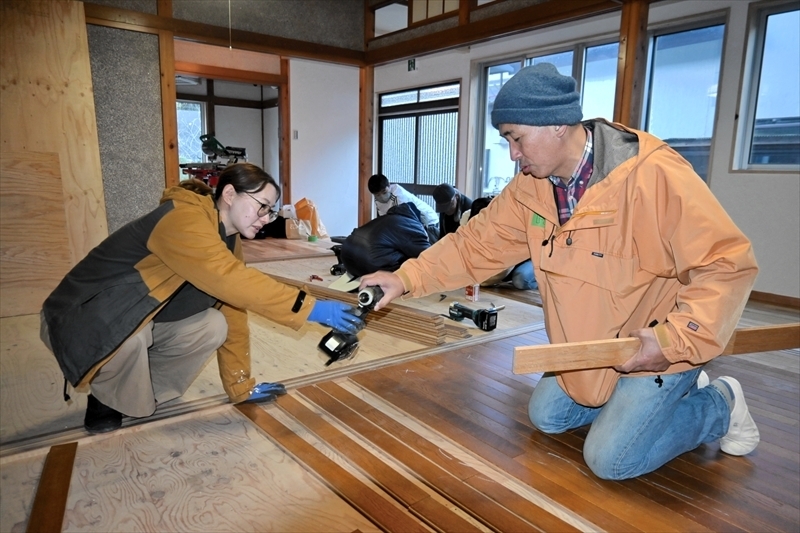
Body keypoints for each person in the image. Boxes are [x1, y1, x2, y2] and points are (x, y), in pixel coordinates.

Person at [361, 63, 759, 480]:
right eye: (506, 140)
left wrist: (675, 340)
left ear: (556, 125)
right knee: (547, 416)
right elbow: (474, 244)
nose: (512, 154)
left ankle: (719, 403)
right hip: (594, 345)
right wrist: (404, 278)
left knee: (611, 460)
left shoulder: (652, 177)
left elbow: (725, 262)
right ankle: (644, 404)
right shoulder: (531, 187)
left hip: (653, 347)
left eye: (516, 138)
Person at [40, 164, 364, 434]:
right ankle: (107, 398)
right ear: (229, 194)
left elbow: (235, 306)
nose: (266, 217)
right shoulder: (183, 218)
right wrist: (310, 307)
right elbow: (230, 278)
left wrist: (240, 386)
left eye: (271, 210)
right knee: (130, 335)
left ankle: (140, 393)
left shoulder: (229, 239)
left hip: (143, 313)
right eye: (261, 206)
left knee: (213, 324)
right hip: (80, 314)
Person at [461, 196, 537, 290]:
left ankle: (544, 280)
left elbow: (505, 266)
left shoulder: (508, 226)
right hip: (508, 261)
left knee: (520, 280)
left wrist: (480, 280)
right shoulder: (470, 220)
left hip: (532, 257)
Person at [340, 202, 430, 279]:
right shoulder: (412, 225)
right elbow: (426, 254)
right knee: (413, 262)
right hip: (372, 266)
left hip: (347, 261)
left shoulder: (386, 218)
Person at [368, 173, 439, 244]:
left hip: (427, 221)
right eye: (377, 195)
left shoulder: (399, 197)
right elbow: (385, 220)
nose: (382, 196)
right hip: (411, 222)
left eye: (384, 192)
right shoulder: (377, 200)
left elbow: (405, 222)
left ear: (389, 185)